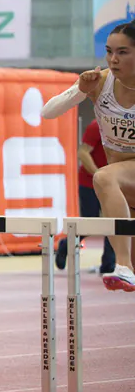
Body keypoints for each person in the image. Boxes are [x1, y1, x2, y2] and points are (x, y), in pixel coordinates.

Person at [40, 20, 135, 292]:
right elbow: (48, 113)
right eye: (109, 51)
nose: (113, 59)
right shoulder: (100, 82)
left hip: (119, 175)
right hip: (127, 188)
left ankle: (123, 265)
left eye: (123, 52)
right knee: (107, 178)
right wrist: (81, 89)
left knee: (103, 177)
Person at [55, 120, 116, 274]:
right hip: (90, 183)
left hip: (114, 183)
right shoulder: (97, 126)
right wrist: (99, 175)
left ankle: (108, 265)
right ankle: (65, 245)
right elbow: (82, 152)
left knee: (114, 222)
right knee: (90, 223)